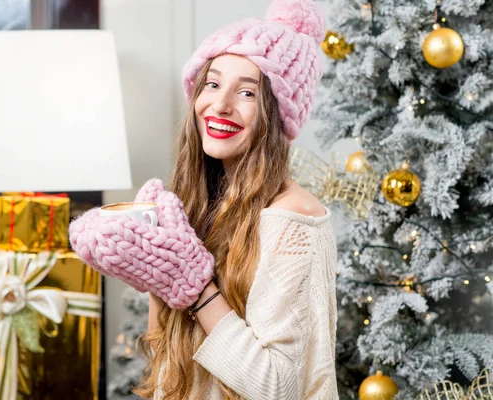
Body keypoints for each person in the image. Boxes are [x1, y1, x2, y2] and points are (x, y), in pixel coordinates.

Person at [69, 0, 338, 398]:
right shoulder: (204, 203)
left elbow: (276, 386)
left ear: (277, 114)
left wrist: (195, 287)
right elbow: (166, 360)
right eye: (212, 84)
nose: (220, 104)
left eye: (247, 91)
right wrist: (155, 273)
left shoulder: (294, 220)